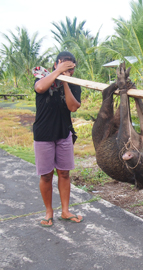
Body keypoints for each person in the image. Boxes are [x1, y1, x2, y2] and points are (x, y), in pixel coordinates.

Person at [32, 51, 83, 227]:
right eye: (64, 66)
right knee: (46, 175)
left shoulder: (75, 84)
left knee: (64, 172)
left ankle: (65, 210)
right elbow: (39, 88)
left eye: (70, 68)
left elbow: (73, 107)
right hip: (43, 135)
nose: (67, 70)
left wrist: (65, 81)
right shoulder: (44, 78)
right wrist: (58, 73)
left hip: (64, 133)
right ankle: (48, 212)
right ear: (56, 65)